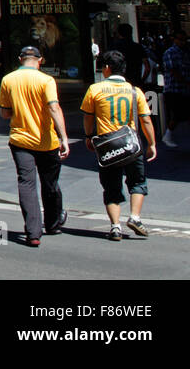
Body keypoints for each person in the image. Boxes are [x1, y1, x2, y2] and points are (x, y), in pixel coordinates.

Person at [0, 45, 71, 247]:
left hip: (20, 140)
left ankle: (33, 232)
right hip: (46, 141)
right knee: (50, 184)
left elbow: (4, 113)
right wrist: (64, 137)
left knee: (27, 184)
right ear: (40, 60)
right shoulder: (46, 80)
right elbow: (54, 108)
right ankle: (53, 223)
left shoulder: (8, 80)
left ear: (20, 59)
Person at [81, 49, 156, 241]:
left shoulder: (95, 90)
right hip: (131, 145)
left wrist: (89, 137)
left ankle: (115, 226)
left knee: (111, 188)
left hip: (107, 146)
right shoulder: (134, 90)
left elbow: (88, 117)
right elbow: (146, 120)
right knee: (137, 182)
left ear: (106, 68)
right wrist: (152, 143)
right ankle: (135, 217)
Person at [161, 32, 190, 149]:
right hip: (173, 89)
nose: (183, 42)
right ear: (175, 40)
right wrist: (188, 84)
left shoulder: (186, 53)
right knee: (178, 115)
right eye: (181, 40)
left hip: (185, 89)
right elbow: (173, 71)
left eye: (185, 40)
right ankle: (167, 135)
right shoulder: (170, 53)